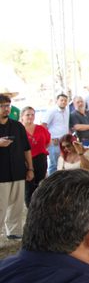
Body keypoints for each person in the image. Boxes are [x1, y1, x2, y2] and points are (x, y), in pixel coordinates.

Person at [0, 94, 33, 239]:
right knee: (0, 206)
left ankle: (13, 231)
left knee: (17, 204)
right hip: (1, 173)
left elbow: (26, 148)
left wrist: (30, 168)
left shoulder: (18, 126)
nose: (6, 109)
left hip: (18, 170)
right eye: (2, 106)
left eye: (8, 105)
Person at [20, 106, 50, 207]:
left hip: (40, 159)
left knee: (40, 185)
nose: (30, 117)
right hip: (25, 161)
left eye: (32, 114)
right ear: (22, 116)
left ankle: (39, 208)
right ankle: (30, 209)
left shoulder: (41, 128)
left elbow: (47, 142)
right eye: (27, 114)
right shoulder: (19, 129)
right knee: (29, 187)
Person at [42, 93, 70, 175]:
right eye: (61, 100)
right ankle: (52, 184)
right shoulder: (52, 111)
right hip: (55, 142)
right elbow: (43, 125)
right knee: (54, 164)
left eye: (65, 100)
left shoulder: (67, 110)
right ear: (57, 101)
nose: (63, 102)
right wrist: (49, 139)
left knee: (64, 163)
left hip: (64, 141)